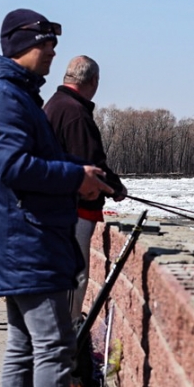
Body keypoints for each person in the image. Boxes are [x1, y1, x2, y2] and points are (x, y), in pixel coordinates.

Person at [0, 8, 123, 387]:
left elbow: (28, 160)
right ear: (22, 44)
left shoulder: (15, 93)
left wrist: (83, 175)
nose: (54, 52)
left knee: (23, 344)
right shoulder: (1, 96)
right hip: (25, 238)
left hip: (23, 236)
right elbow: (13, 166)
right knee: (52, 346)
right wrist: (77, 176)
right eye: (47, 44)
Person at [44, 56, 127, 325]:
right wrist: (115, 187)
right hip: (73, 209)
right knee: (73, 273)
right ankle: (66, 337)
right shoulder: (75, 113)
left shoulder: (55, 105)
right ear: (94, 81)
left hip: (57, 205)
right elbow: (89, 163)